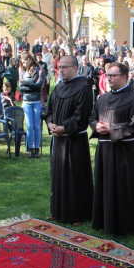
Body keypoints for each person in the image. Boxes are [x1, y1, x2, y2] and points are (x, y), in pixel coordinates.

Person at [89, 62, 134, 234]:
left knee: (124, 187)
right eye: (107, 75)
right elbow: (92, 117)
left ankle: (126, 224)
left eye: (113, 75)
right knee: (105, 185)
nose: (109, 78)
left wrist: (111, 128)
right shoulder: (103, 98)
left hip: (125, 152)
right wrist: (96, 126)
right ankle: (104, 220)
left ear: (123, 77)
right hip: (104, 150)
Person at [44, 55, 93, 225]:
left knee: (75, 177)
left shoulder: (84, 89)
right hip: (58, 140)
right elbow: (48, 110)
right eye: (60, 67)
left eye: (65, 67)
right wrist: (50, 123)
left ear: (75, 68)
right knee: (58, 175)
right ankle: (58, 210)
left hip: (74, 141)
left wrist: (64, 128)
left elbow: (82, 116)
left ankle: (78, 214)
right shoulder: (57, 88)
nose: (62, 70)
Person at [19, 52, 45, 158]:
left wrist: (26, 83)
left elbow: (39, 86)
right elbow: (21, 88)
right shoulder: (22, 72)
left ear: (30, 59)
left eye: (25, 61)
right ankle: (31, 148)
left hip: (37, 101)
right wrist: (30, 85)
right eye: (23, 62)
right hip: (26, 101)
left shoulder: (40, 71)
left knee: (37, 126)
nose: (24, 64)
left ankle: (37, 148)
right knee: (29, 126)